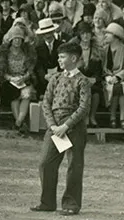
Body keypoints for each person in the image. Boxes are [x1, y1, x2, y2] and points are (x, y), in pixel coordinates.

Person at [32, 42, 91, 216]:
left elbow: (83, 107)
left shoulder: (83, 81)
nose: (59, 59)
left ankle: (71, 204)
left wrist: (66, 126)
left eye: (62, 56)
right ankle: (47, 202)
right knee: (46, 163)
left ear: (74, 58)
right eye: (59, 56)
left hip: (73, 128)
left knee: (74, 166)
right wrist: (52, 126)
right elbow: (46, 102)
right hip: (56, 127)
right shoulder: (55, 78)